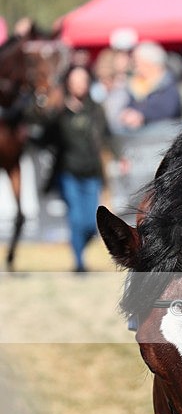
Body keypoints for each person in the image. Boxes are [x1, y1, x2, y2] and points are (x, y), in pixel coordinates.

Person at [43, 65, 111, 272]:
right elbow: (45, 134)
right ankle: (79, 263)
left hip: (92, 171)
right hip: (68, 172)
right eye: (75, 81)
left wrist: (119, 156)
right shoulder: (59, 111)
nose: (80, 85)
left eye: (83, 81)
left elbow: (107, 135)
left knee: (91, 223)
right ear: (68, 84)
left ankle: (80, 248)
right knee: (76, 218)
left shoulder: (96, 109)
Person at [119, 41, 182, 131]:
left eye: (137, 61)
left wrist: (142, 116)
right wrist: (126, 113)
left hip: (162, 134)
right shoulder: (135, 83)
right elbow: (130, 105)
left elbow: (168, 110)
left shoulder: (167, 82)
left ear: (149, 62)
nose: (134, 65)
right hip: (139, 135)